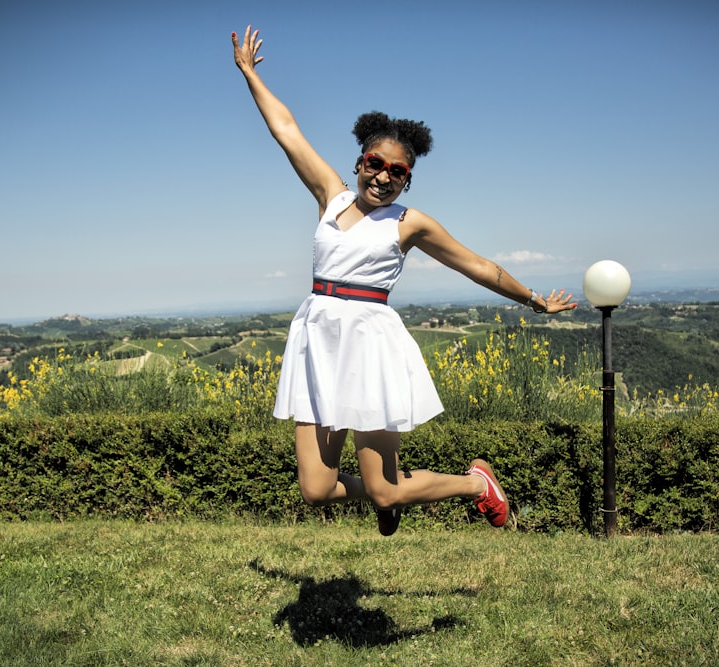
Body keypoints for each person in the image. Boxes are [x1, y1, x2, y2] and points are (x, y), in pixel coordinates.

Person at [232, 25, 576, 536]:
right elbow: (286, 130)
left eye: (398, 171)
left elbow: (476, 264)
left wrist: (531, 300)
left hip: (369, 345)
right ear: (359, 163)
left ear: (406, 179)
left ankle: (478, 485)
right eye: (376, 164)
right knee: (315, 489)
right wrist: (250, 74)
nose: (384, 175)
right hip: (318, 340)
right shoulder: (332, 196)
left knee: (386, 489)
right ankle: (385, 494)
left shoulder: (409, 223)